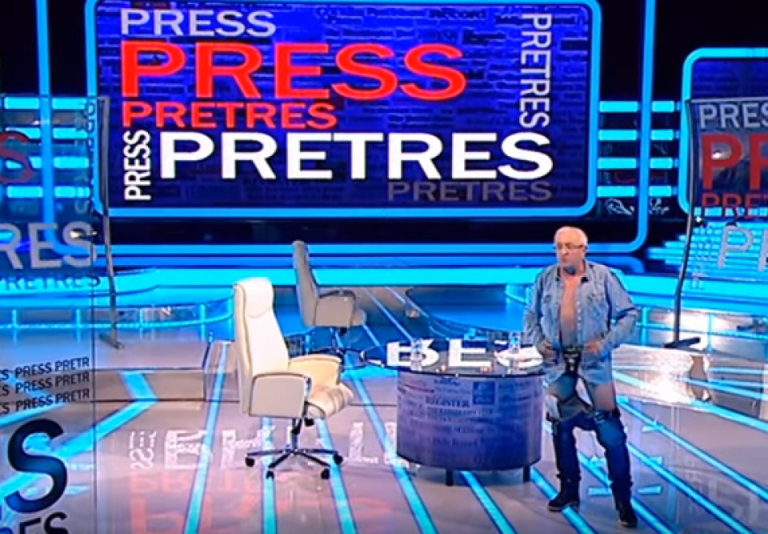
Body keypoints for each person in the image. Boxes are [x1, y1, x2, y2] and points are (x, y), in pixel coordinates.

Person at [524, 226, 639, 529]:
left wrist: (604, 344)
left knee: (611, 432)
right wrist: (539, 342)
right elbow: (530, 315)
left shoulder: (604, 277)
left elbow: (629, 315)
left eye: (569, 247)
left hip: (594, 362)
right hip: (558, 363)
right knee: (561, 427)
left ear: (583, 250)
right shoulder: (545, 278)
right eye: (558, 246)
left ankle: (623, 500)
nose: (563, 252)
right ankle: (568, 490)